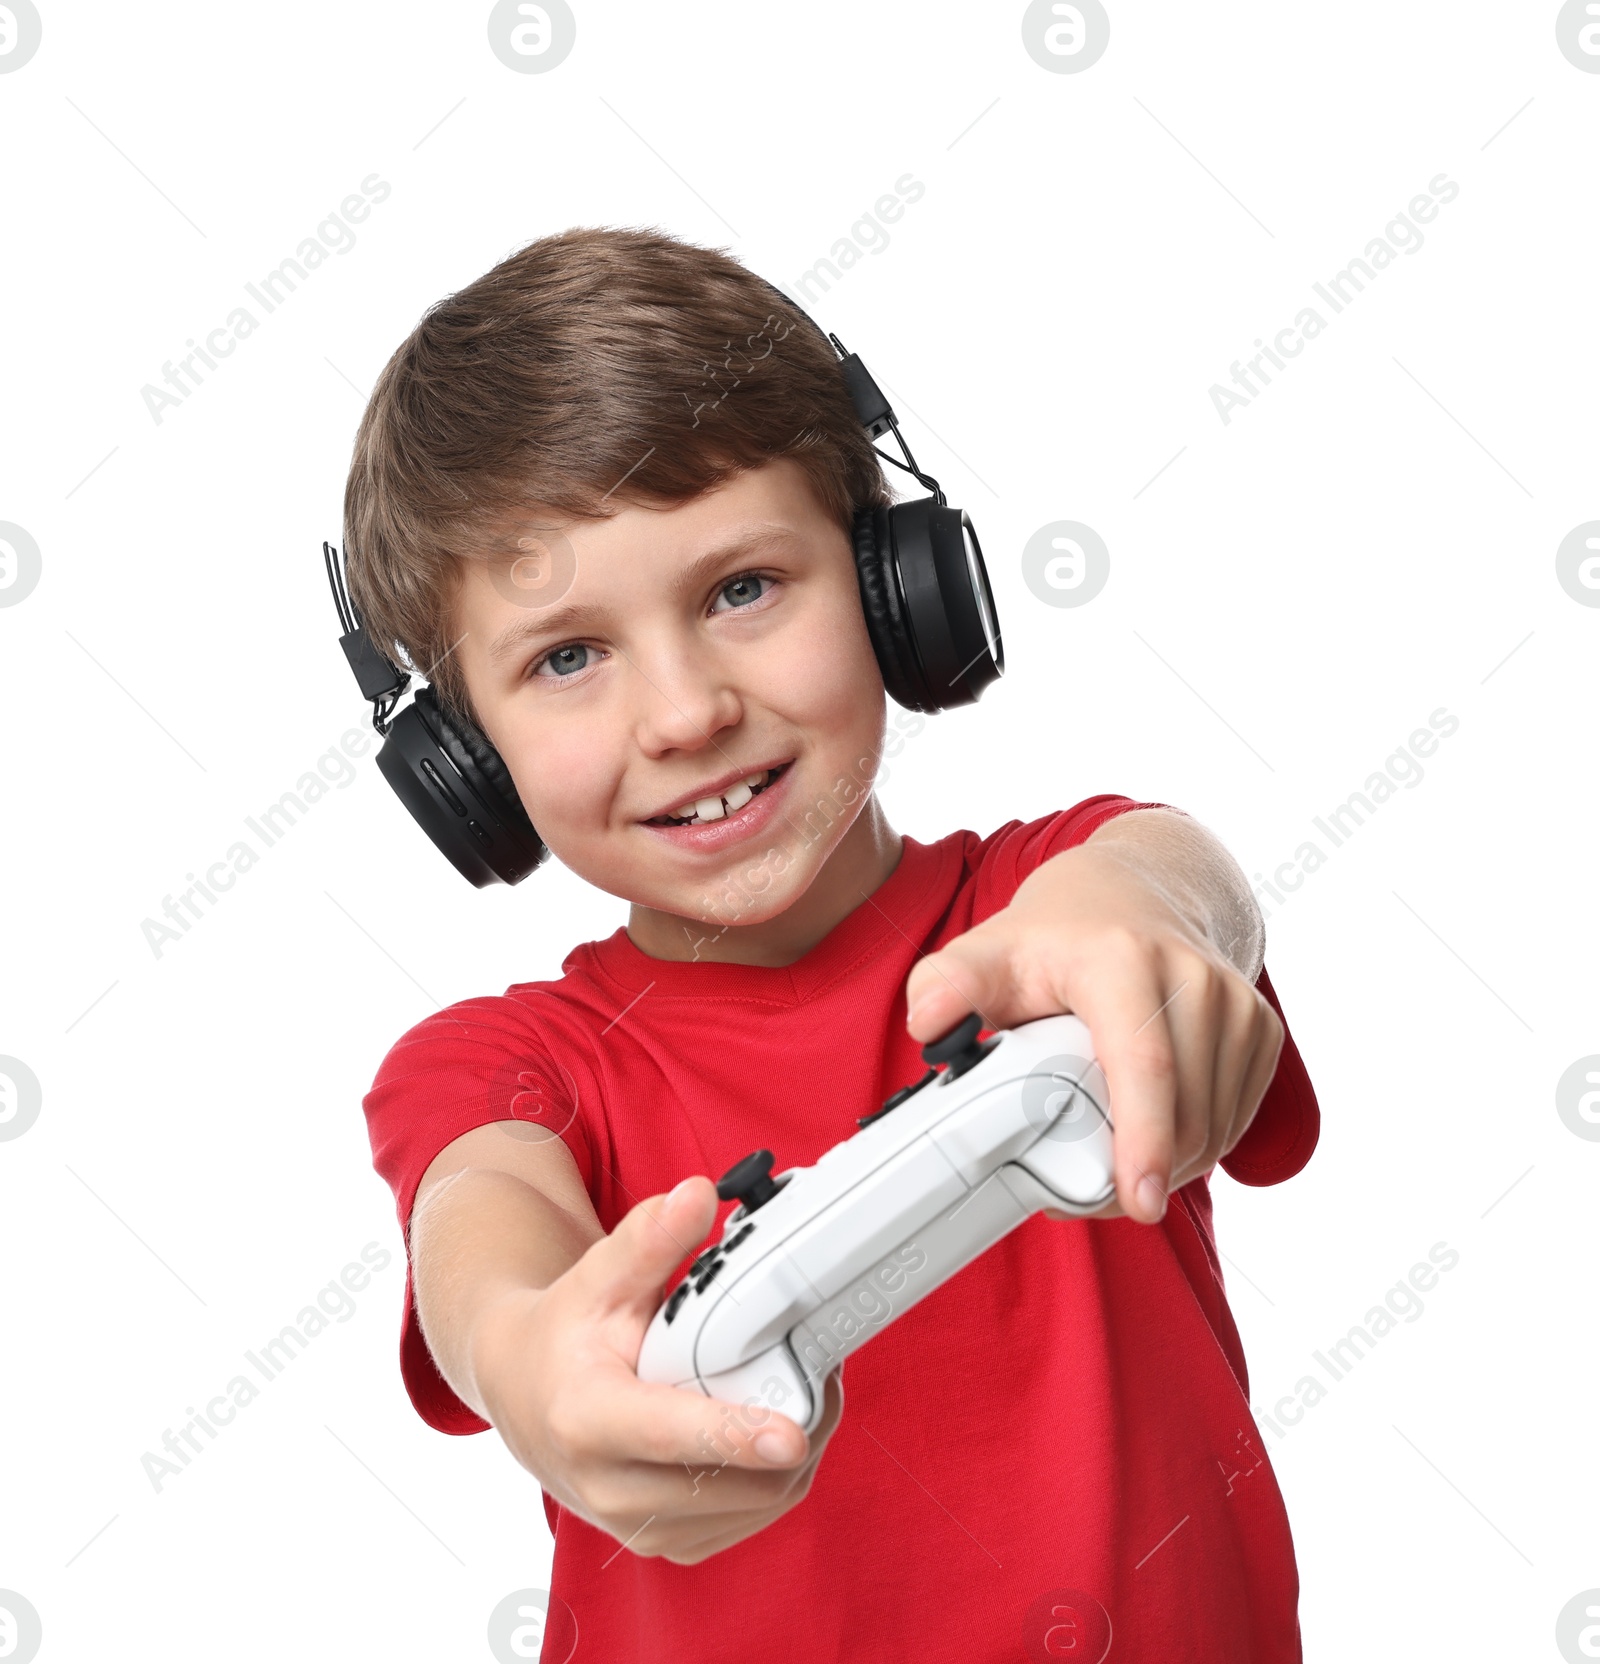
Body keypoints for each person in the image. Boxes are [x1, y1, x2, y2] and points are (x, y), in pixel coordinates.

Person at [350, 226, 1320, 1662]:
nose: (683, 713)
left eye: (743, 589)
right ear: (465, 760)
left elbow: (1172, 884)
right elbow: (484, 1242)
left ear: (894, 589)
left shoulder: (1050, 899)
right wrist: (530, 1364)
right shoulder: (507, 1063)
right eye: (567, 656)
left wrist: (1153, 923)